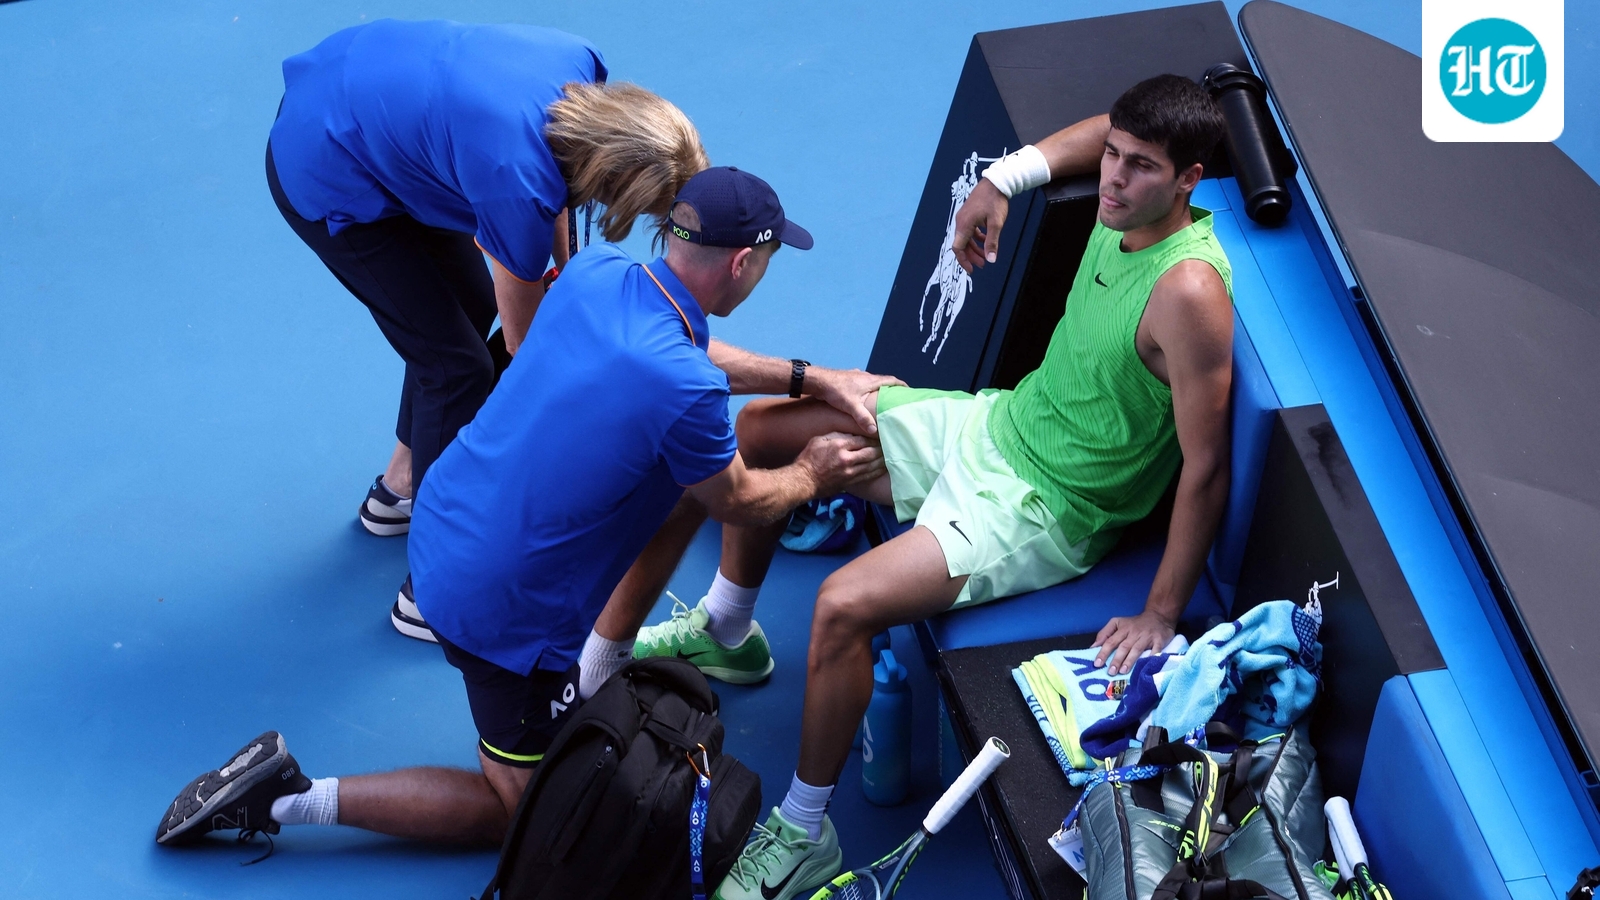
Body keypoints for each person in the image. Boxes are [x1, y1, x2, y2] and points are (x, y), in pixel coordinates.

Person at [154, 168, 897, 851]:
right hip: (501, 610)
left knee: (674, 476)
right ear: (743, 263)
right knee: (523, 807)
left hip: (449, 522)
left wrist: (811, 378)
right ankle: (287, 799)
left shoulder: (601, 276)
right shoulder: (683, 391)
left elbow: (693, 362)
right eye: (768, 260)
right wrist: (812, 469)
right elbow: (741, 496)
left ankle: (612, 662)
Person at [630, 75, 1236, 900]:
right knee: (760, 433)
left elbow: (1206, 463)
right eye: (1114, 158)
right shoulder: (1121, 191)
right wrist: (999, 180)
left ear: (1189, 181)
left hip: (1044, 507)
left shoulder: (1189, 291)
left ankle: (805, 829)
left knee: (843, 604)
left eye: (1139, 168)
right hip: (996, 425)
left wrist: (1161, 612)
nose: (1113, 179)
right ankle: (729, 630)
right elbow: (1095, 128)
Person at [266, 20, 706, 596]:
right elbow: (527, 347)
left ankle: (400, 486)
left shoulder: (581, 64)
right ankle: (433, 586)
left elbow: (557, 189)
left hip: (368, 102)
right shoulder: (514, 181)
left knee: (468, 307)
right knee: (456, 367)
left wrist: (563, 276)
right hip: (326, 162)